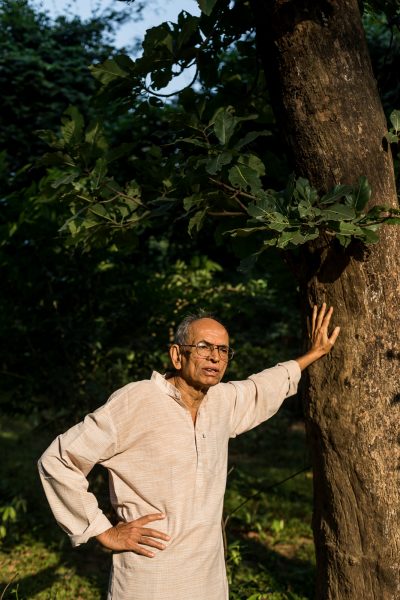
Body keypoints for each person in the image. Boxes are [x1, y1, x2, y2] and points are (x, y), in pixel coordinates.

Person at [38, 303, 340, 600]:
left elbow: (262, 387)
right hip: (150, 575)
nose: (215, 357)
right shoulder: (138, 399)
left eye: (223, 350)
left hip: (207, 577)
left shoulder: (221, 401)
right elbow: (59, 460)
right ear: (177, 354)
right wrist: (102, 531)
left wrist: (313, 354)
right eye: (204, 347)